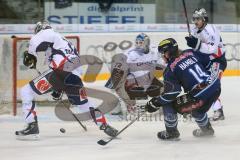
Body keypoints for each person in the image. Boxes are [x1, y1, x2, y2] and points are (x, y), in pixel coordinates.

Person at [15, 21, 118, 139]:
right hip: (74, 78)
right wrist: (58, 89)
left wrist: (30, 54)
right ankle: (104, 125)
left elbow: (35, 42)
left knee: (26, 91)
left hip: (60, 72)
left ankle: (32, 125)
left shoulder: (48, 33)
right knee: (84, 104)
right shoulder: (65, 43)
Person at [145, 38, 221, 140]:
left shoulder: (170, 69)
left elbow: (172, 93)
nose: (162, 56)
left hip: (200, 96)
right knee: (197, 109)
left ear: (168, 52)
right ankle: (207, 130)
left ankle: (171, 132)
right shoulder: (190, 52)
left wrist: (156, 102)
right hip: (216, 87)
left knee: (168, 103)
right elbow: (209, 63)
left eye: (163, 53)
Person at [105, 33, 165, 115]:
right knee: (116, 86)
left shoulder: (155, 51)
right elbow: (115, 79)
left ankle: (161, 104)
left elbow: (164, 66)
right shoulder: (129, 55)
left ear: (147, 43)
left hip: (148, 80)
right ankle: (121, 106)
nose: (138, 45)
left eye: (140, 43)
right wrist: (128, 101)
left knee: (166, 88)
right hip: (132, 83)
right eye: (136, 43)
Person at [185, 8, 227, 121]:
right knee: (200, 84)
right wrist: (192, 42)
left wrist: (196, 44)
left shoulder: (211, 29)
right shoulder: (194, 29)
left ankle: (218, 110)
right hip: (204, 61)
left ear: (204, 19)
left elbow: (212, 49)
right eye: (194, 19)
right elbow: (197, 48)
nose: (195, 21)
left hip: (217, 60)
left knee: (212, 84)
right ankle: (196, 107)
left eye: (198, 19)